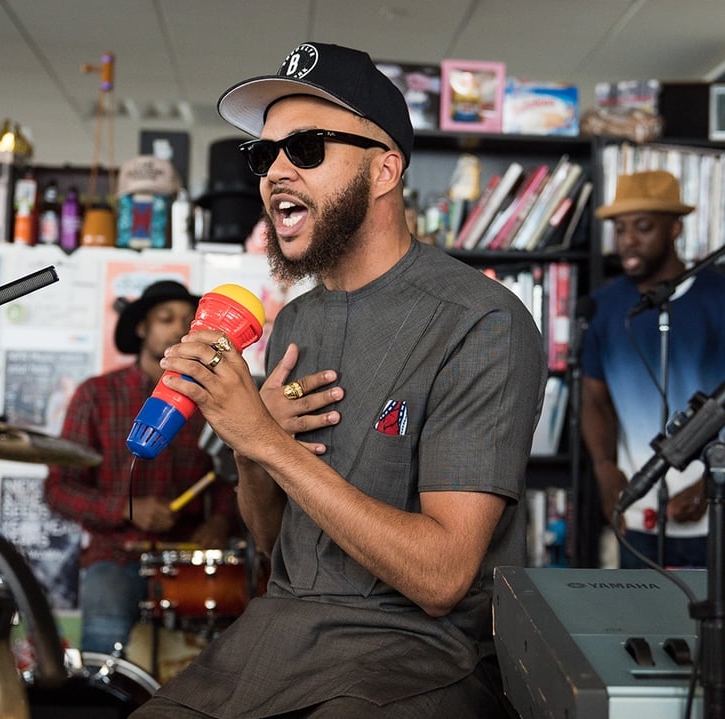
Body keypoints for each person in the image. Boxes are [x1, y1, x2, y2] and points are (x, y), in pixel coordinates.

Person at [130, 41, 546, 719]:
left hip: (412, 654)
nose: (275, 172)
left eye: (309, 148)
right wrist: (249, 451)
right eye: (264, 155)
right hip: (280, 637)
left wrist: (268, 443)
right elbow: (275, 547)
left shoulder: (482, 321)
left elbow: (442, 578)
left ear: (384, 170)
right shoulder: (294, 323)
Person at [580, 169, 725, 570]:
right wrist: (603, 468)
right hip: (642, 515)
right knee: (646, 630)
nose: (628, 240)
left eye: (644, 227)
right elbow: (595, 400)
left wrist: (709, 484)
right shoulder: (605, 306)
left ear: (675, 229)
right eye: (620, 229)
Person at [43, 279, 234, 654]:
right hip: (116, 554)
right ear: (141, 328)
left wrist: (221, 520)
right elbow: (59, 489)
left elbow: (228, 476)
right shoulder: (96, 395)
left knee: (210, 664)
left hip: (189, 560)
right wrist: (128, 509)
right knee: (105, 662)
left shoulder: (210, 398)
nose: (180, 328)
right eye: (166, 318)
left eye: (188, 321)